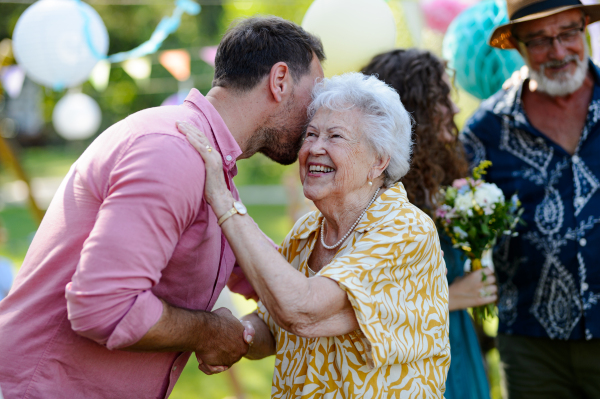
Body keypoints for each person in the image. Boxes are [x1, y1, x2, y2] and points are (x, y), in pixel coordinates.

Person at [0, 17, 324, 398]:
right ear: (280, 80)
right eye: (316, 95)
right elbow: (104, 306)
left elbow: (277, 279)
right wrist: (210, 332)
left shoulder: (211, 167)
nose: (318, 114)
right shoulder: (172, 152)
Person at [179, 72, 450, 398]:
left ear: (378, 161)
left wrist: (224, 199)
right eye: (310, 134)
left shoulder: (405, 230)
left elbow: (303, 311)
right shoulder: (307, 231)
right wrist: (235, 334)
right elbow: (274, 325)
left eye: (335, 137)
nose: (315, 148)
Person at [462, 0, 600, 397]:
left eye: (568, 33)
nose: (557, 51)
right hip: (531, 346)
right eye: (539, 40)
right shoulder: (484, 132)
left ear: (585, 31)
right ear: (518, 47)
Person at [362, 48, 495, 399]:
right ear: (414, 109)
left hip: (458, 343)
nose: (453, 109)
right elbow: (369, 304)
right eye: (441, 98)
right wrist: (453, 296)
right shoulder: (380, 200)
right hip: (413, 358)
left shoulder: (443, 178)